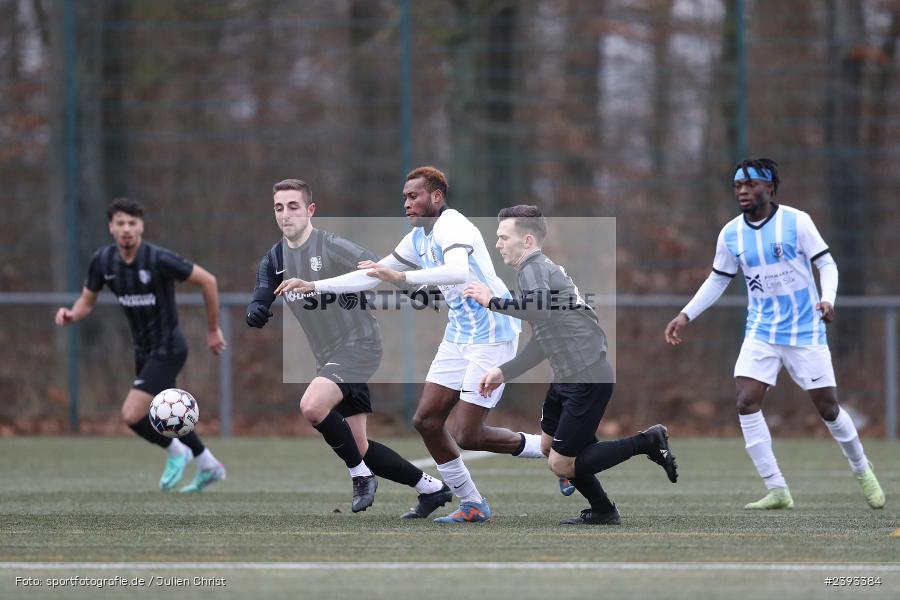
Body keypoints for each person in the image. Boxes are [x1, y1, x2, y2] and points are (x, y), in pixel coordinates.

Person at [277, 166, 547, 523]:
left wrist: (401, 276)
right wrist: (315, 285)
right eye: (404, 197)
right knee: (426, 420)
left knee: (468, 433)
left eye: (414, 196)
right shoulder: (417, 236)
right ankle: (472, 503)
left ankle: (550, 448)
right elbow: (371, 275)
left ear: (436, 197)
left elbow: (456, 272)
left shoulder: (453, 225)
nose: (407, 203)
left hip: (494, 333)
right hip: (459, 335)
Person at [664, 158, 885, 510]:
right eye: (738, 186)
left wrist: (827, 300)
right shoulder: (731, 233)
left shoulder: (797, 222)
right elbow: (719, 278)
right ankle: (777, 489)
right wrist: (686, 314)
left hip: (805, 329)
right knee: (746, 400)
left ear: (769, 188)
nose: (743, 191)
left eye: (751, 185)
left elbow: (826, 263)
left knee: (828, 409)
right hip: (762, 329)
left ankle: (862, 469)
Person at [247, 178, 452, 517]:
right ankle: (431, 489)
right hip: (328, 356)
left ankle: (360, 477)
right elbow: (262, 289)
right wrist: (256, 309)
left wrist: (418, 290)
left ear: (310, 210)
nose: (286, 214)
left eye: (294, 206)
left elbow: (379, 268)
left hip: (359, 345)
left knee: (312, 406)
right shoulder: (274, 258)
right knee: (358, 446)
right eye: (279, 208)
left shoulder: (331, 246)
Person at [465, 205, 677, 525]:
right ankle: (603, 511)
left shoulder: (532, 268)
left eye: (503, 237)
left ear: (527, 241)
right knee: (550, 447)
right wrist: (504, 372)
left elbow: (536, 312)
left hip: (586, 376)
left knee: (561, 464)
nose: (498, 244)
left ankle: (647, 441)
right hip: (568, 375)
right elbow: (544, 336)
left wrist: (491, 301)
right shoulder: (536, 270)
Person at [55, 198, 227, 493]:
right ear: (111, 228)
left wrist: (213, 329)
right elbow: (87, 300)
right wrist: (72, 314)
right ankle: (208, 464)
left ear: (141, 227)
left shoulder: (158, 259)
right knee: (169, 415)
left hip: (169, 347)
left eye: (132, 223)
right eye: (120, 223)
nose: (126, 229)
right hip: (144, 351)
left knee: (132, 414)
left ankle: (177, 452)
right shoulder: (103, 262)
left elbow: (208, 281)